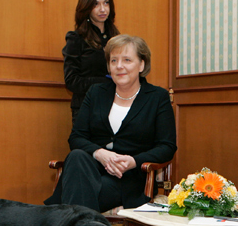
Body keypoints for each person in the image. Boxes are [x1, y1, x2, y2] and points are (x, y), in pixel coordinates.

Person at [45, 34, 177, 212]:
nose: (119, 66)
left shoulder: (157, 97)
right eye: (113, 60)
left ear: (142, 65)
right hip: (92, 171)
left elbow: (167, 146)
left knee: (77, 191)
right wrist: (100, 153)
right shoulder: (96, 92)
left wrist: (133, 161)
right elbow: (76, 137)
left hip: (129, 179)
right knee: (77, 157)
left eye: (127, 60)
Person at [63, 0, 120, 123]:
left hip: (116, 106)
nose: (102, 9)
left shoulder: (117, 39)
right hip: (87, 107)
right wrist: (106, 82)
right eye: (95, 4)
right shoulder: (76, 38)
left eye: (106, 3)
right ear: (86, 7)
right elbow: (71, 81)